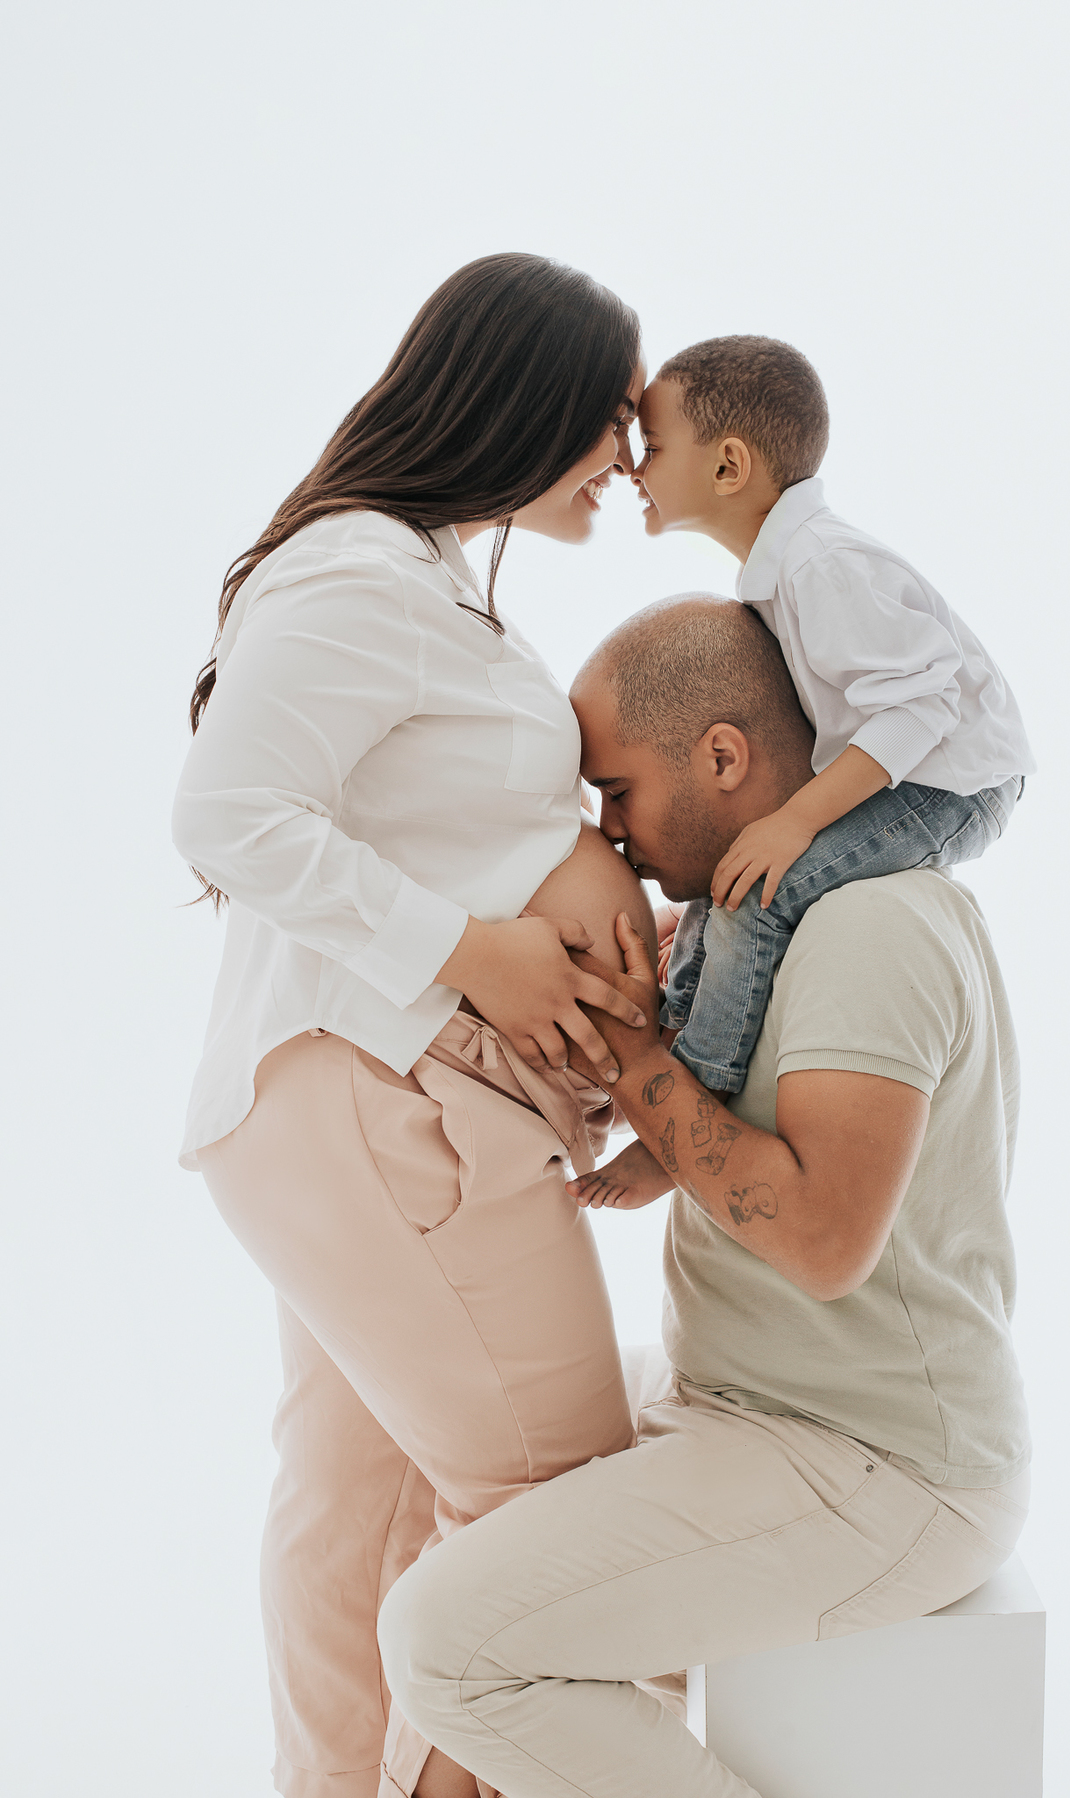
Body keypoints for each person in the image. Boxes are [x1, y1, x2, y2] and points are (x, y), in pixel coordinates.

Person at [376, 595, 1032, 1798]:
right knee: (470, 1448)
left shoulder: (871, 926)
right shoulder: (750, 929)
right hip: (748, 1406)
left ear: (723, 757)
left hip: (881, 1468)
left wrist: (635, 1054)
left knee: (441, 1646)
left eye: (617, 790)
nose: (607, 830)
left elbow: (821, 1239)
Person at [172, 252, 659, 1798]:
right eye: (611, 416)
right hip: (388, 1108)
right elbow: (229, 813)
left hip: (352, 1114)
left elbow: (428, 829)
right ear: (523, 399)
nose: (633, 453)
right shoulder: (363, 573)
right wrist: (479, 955)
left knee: (361, 1507)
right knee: (554, 1534)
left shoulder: (416, 578)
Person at [594, 336, 1035, 1204]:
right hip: (911, 770)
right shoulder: (784, 569)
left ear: (728, 465)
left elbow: (923, 707)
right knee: (724, 876)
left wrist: (794, 822)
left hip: (954, 780)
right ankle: (680, 1028)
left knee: (760, 890)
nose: (633, 469)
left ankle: (691, 1103)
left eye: (652, 447)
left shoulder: (821, 563)